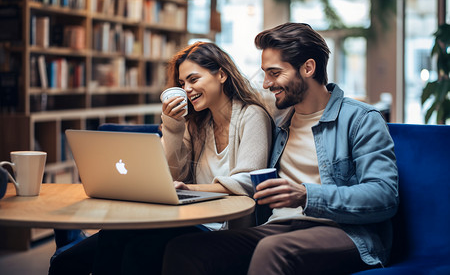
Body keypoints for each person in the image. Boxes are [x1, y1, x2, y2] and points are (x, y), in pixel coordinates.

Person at [160, 23, 399, 275]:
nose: (266, 84)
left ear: (308, 68)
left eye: (274, 73)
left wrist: (306, 195)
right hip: (278, 226)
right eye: (265, 73)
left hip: (344, 231)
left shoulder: (361, 118)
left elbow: (384, 196)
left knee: (273, 250)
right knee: (185, 249)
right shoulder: (280, 122)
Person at [48, 42, 273, 275]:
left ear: (222, 74)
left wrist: (192, 189)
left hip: (219, 228)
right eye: (182, 83)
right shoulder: (198, 123)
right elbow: (171, 175)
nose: (186, 89)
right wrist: (174, 126)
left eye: (193, 80)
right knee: (73, 258)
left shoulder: (252, 115)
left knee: (136, 250)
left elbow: (248, 181)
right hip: (186, 219)